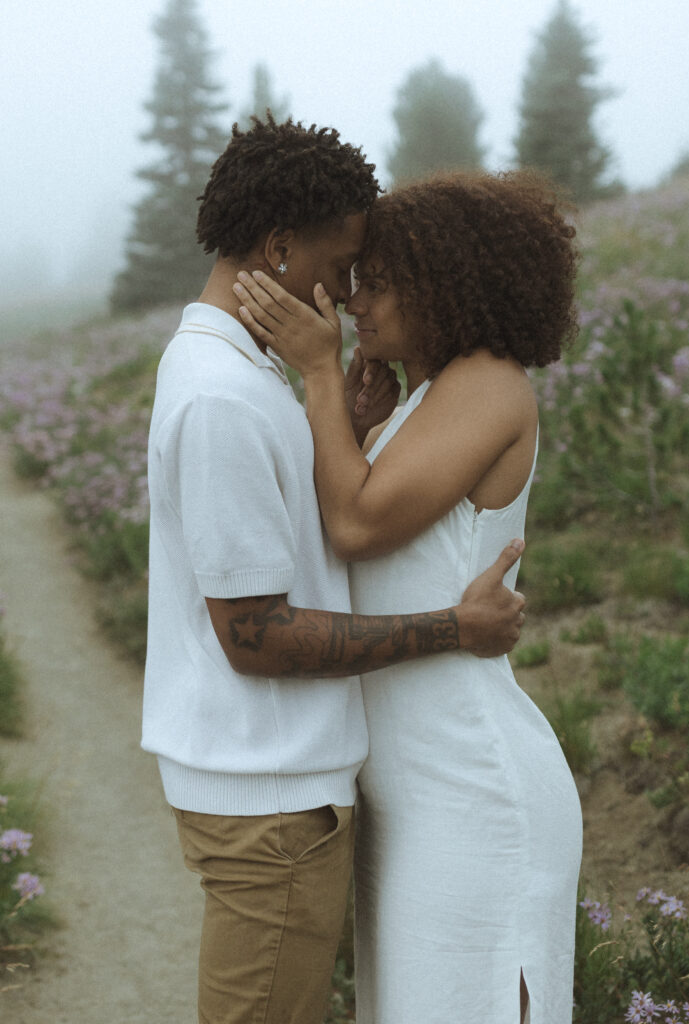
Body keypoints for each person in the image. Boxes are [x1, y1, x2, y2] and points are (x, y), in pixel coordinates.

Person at [141, 117, 527, 1024]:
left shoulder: (246, 375)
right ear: (279, 249)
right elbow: (256, 635)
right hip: (270, 803)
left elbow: (288, 548)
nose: (351, 291)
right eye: (344, 262)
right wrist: (451, 629)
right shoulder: (222, 396)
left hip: (281, 791)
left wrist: (346, 428)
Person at [234, 168, 584, 1024]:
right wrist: (353, 424)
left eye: (381, 282)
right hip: (412, 789)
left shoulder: (489, 383)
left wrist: (317, 373)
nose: (355, 301)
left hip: (471, 787)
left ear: (445, 286)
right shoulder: (418, 400)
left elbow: (356, 526)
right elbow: (350, 544)